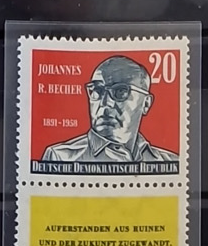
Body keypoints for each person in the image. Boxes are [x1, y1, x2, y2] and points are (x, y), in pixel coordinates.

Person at [36, 55, 176, 171]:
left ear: (146, 103)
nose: (105, 103)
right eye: (97, 90)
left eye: (120, 91)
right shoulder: (61, 158)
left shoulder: (171, 162)